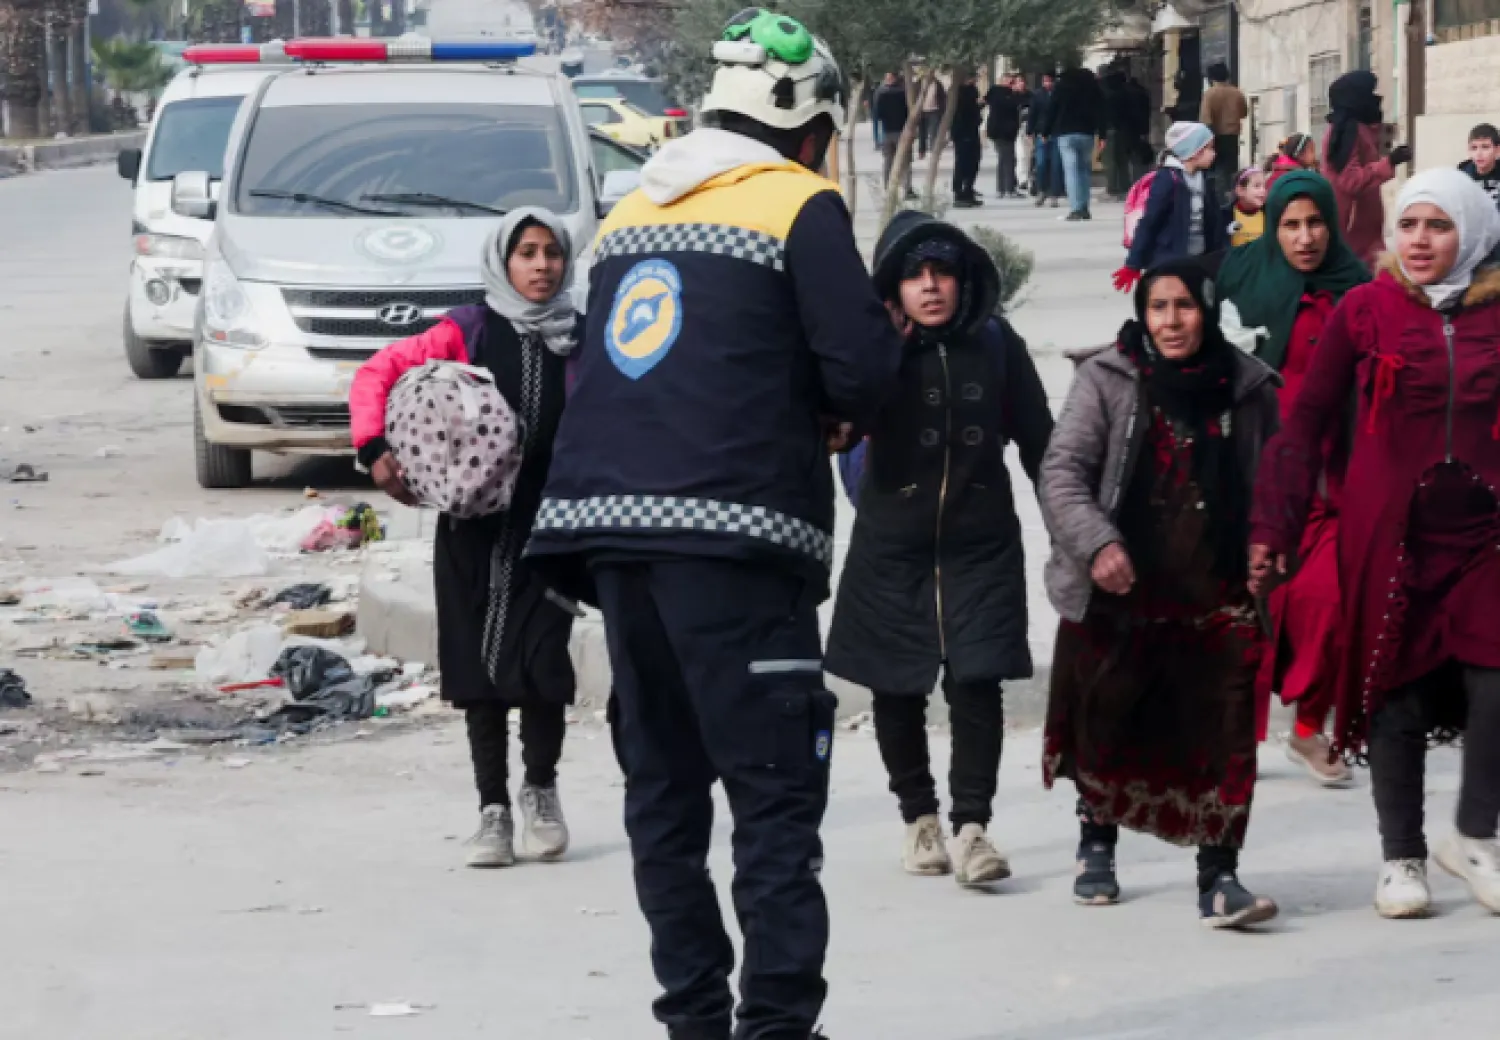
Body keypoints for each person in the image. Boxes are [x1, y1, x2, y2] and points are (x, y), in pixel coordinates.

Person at [526, 12, 903, 1038]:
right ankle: (775, 1024)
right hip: (735, 540)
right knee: (774, 798)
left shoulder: (630, 211)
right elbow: (862, 367)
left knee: (664, 796)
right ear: (809, 127)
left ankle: (691, 1020)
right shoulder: (796, 202)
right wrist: (829, 407)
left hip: (614, 542)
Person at [1249, 169, 1500, 920]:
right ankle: (1402, 857)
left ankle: (1475, 837)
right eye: (1410, 225)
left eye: (1439, 226)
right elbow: (1304, 426)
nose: (1420, 241)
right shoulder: (1365, 308)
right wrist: (1273, 526)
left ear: (1473, 234)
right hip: (1390, 536)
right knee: (1398, 692)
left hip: (1487, 535)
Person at [1041, 258, 1283, 929]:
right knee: (1107, 718)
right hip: (1121, 590)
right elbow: (1062, 472)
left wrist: (1270, 542)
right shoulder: (1107, 378)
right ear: (1142, 314)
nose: (1171, 322)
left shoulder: (1249, 387)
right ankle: (1097, 841)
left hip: (1217, 590)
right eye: (1158, 307)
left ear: (1208, 309)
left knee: (1226, 732)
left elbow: (1278, 479)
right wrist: (1098, 544)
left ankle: (1219, 875)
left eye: (1185, 306)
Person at [826, 211, 1053, 886]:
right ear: (893, 288)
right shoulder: (874, 348)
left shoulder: (998, 344)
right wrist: (874, 354)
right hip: (891, 544)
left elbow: (1042, 443)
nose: (930, 286)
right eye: (914, 276)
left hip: (980, 543)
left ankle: (973, 828)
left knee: (977, 681)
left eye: (942, 273)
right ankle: (919, 818)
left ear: (964, 279)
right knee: (896, 685)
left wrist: (1076, 536)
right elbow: (833, 425)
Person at [349, 210, 580, 869]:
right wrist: (374, 448)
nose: (541, 266)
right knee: (478, 669)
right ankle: (492, 810)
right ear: (502, 263)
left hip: (550, 530)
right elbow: (377, 374)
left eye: (552, 253)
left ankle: (541, 792)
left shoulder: (581, 337)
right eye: (526, 253)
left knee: (543, 665)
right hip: (472, 529)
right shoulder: (468, 329)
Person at [1218, 171, 1369, 786]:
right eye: (1290, 225)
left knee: (1330, 603)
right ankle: (1236, 737)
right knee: (1250, 606)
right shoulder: (1239, 278)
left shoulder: (1360, 290)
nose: (1305, 238)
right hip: (1257, 472)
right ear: (1272, 226)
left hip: (1338, 478)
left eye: (1315, 223)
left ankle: (1309, 726)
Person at [1115, 122, 1224, 291]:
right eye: (1209, 148)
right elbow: (1149, 222)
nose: (1214, 154)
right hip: (1170, 261)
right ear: (1194, 151)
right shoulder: (1168, 179)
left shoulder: (1205, 180)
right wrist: (1133, 263)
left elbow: (1215, 221)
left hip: (1200, 261)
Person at [1321, 70, 1412, 267]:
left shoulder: (1358, 127)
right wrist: (1390, 162)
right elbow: (1350, 180)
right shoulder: (1346, 130)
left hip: (1366, 230)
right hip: (1352, 234)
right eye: (1370, 92)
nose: (1376, 98)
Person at [1044, 64, 1107, 221]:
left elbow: (1052, 109)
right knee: (1084, 170)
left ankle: (1076, 208)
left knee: (1071, 170)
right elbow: (1101, 112)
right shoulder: (1093, 88)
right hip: (1087, 133)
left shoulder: (1061, 87)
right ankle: (1084, 207)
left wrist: (1045, 131)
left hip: (1065, 133)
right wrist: (1102, 135)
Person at [1199, 62, 1247, 206]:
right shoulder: (1237, 93)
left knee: (1216, 170)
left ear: (1211, 78)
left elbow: (1206, 119)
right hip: (1232, 136)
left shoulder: (1209, 94)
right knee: (1231, 170)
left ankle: (1219, 200)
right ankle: (1232, 197)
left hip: (1215, 136)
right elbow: (1244, 113)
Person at [874, 69, 915, 200]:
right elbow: (908, 112)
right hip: (902, 131)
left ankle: (888, 187)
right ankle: (907, 188)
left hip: (887, 131)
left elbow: (877, 114)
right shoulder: (903, 93)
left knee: (888, 161)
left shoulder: (880, 93)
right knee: (905, 161)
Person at [1101, 67, 1138, 201]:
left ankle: (1112, 188)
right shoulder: (1128, 94)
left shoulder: (1106, 94)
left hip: (1110, 129)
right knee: (1123, 160)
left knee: (1110, 160)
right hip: (1124, 130)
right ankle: (1124, 187)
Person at [985, 71, 1024, 197]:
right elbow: (1012, 105)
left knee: (1004, 159)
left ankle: (1002, 188)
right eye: (1010, 81)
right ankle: (1008, 188)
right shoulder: (1002, 93)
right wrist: (1016, 92)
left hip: (1002, 130)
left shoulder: (998, 92)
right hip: (1003, 131)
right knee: (1008, 159)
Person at [951, 69, 984, 207]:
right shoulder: (959, 92)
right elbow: (964, 111)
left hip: (972, 130)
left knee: (974, 161)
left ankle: (968, 190)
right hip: (963, 132)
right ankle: (959, 192)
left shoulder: (972, 90)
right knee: (962, 162)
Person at [1030, 72, 1063, 207]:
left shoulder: (1059, 94)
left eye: (1050, 81)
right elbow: (1033, 113)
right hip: (1041, 132)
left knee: (1056, 164)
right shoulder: (1038, 95)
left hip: (1056, 132)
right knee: (1041, 163)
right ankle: (1041, 190)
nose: (1047, 84)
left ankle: (1054, 194)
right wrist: (1030, 130)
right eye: (1045, 81)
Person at [1459, 122, 1500, 210]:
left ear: (1497, 150)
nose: (1479, 153)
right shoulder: (1461, 178)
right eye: (1474, 148)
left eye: (1485, 147)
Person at [1228, 167, 1267, 246]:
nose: (1263, 190)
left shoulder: (1268, 213)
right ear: (1240, 191)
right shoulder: (1226, 215)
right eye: (1257, 186)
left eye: (1264, 186)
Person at [918, 72, 946, 160]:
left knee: (934, 132)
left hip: (934, 110)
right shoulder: (919, 83)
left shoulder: (938, 84)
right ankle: (921, 151)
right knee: (922, 132)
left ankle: (934, 151)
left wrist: (941, 109)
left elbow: (943, 97)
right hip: (922, 111)